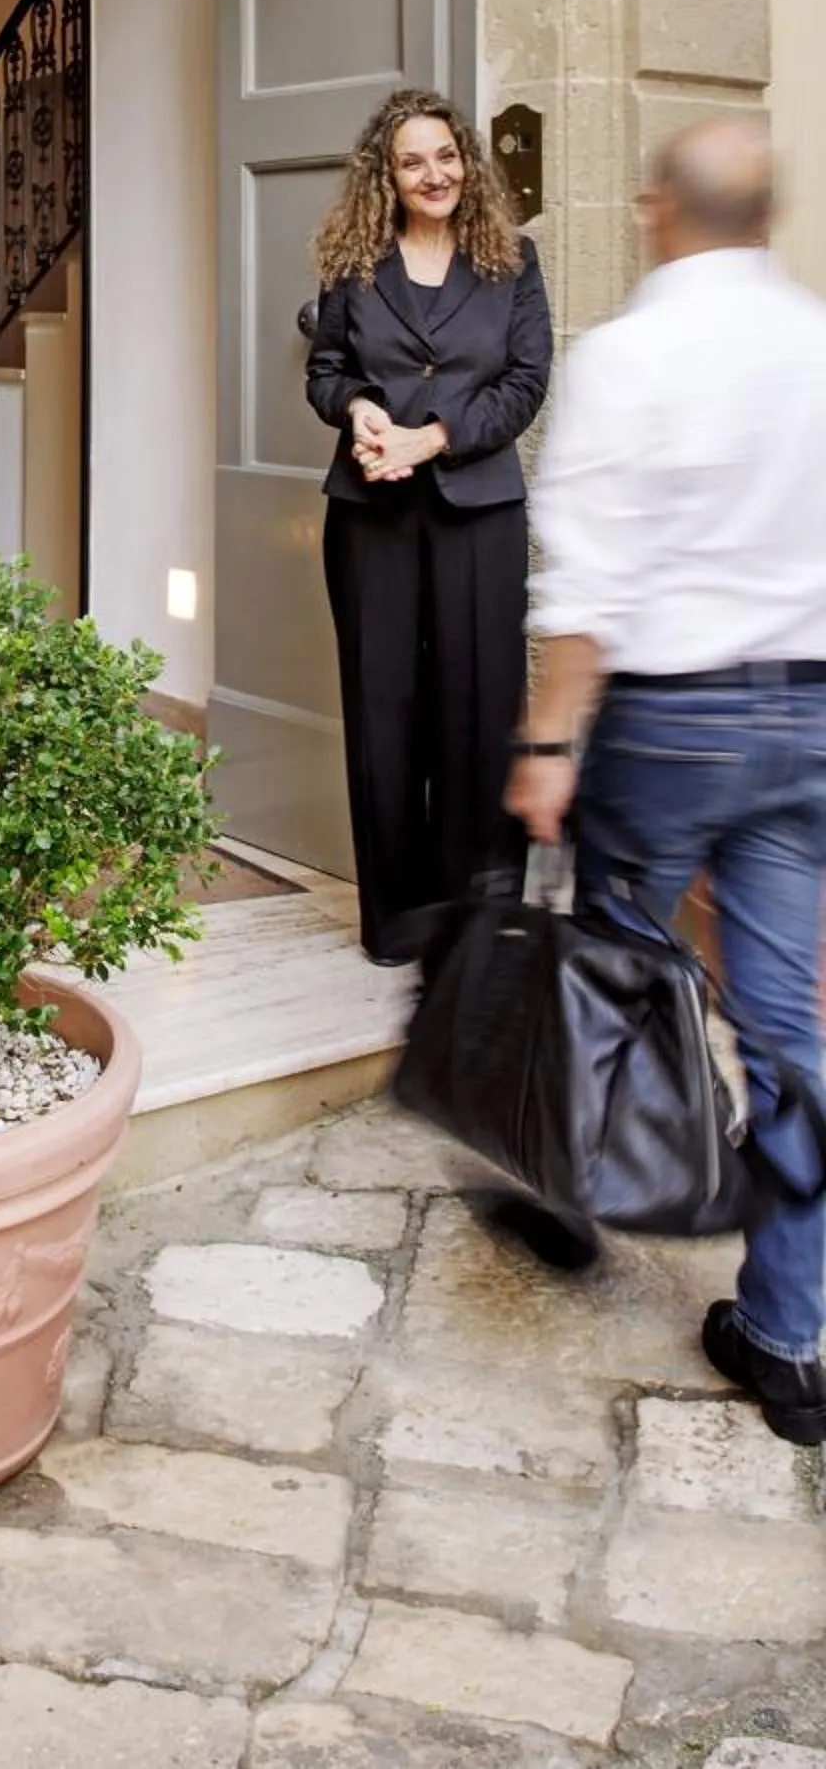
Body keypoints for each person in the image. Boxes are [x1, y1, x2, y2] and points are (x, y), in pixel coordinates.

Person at [507, 118, 826, 1446]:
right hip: (805, 711)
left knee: (613, 975)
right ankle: (789, 1337)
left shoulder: (627, 357)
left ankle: (575, 1203)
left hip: (670, 719)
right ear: (768, 215)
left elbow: (586, 583)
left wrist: (547, 744)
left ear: (656, 211)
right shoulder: (815, 343)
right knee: (788, 1027)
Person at [306, 88, 552, 962]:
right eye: (413, 161)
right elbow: (325, 371)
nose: (434, 174)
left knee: (479, 712)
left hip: (478, 511)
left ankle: (477, 924)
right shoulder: (352, 263)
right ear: (388, 174)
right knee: (384, 715)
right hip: (370, 512)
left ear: (466, 162)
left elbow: (525, 383)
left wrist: (435, 436)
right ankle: (396, 924)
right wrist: (358, 409)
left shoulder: (513, 262)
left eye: (445, 156)